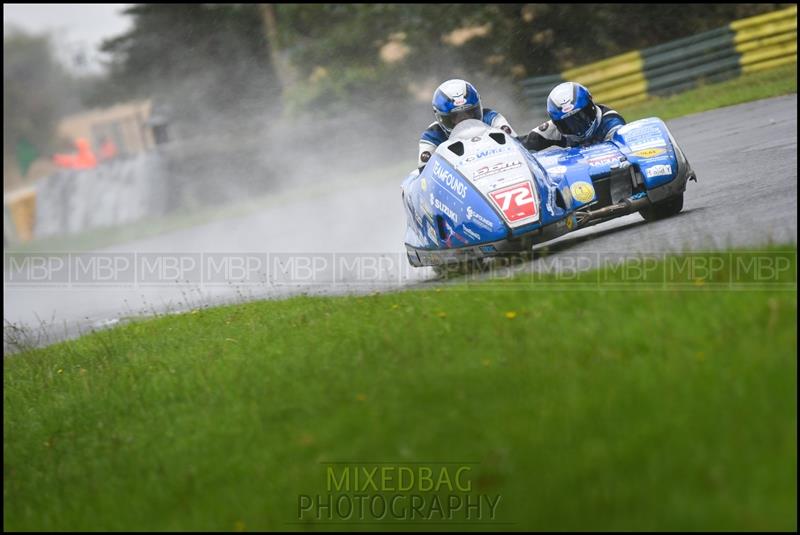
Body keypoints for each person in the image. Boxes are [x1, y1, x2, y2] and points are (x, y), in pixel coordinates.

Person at [417, 79, 517, 168]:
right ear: (441, 118)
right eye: (454, 117)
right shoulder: (432, 135)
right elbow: (425, 171)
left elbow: (517, 144)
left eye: (470, 113)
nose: (464, 121)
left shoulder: (492, 118)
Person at [520, 81, 626, 151]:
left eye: (581, 117)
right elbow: (522, 144)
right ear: (557, 123)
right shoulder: (555, 128)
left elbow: (626, 152)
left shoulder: (612, 125)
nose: (577, 127)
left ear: (591, 107)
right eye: (568, 124)